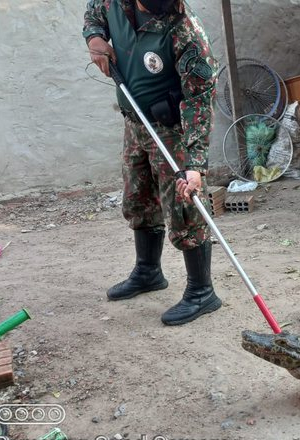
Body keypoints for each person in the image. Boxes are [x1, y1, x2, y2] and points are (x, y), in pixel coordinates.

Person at [83, 0, 221, 325]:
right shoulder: (114, 2)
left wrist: (196, 164)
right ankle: (148, 272)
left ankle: (202, 292)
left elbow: (201, 99)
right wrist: (94, 39)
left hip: (171, 129)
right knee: (138, 198)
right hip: (134, 122)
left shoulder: (184, 28)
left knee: (184, 204)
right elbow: (94, 13)